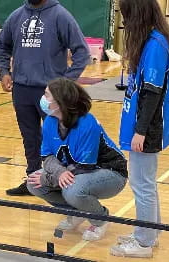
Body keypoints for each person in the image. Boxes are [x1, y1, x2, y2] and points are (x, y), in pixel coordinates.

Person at [0, 0, 90, 196]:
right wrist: (4, 71)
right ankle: (33, 180)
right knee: (30, 138)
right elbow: (3, 46)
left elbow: (82, 52)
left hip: (50, 94)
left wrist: (65, 84)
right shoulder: (16, 16)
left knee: (56, 138)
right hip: (21, 90)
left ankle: (59, 180)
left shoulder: (61, 16)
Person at [110, 0, 169, 258]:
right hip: (141, 126)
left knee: (141, 184)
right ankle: (149, 233)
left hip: (148, 129)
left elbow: (153, 94)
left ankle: (143, 242)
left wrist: (140, 132)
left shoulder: (155, 45)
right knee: (146, 183)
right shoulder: (153, 41)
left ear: (138, 15)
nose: (126, 23)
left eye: (128, 16)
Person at [26, 78, 127, 241]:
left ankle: (101, 220)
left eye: (47, 95)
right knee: (33, 183)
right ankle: (77, 213)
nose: (43, 98)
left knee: (72, 190)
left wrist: (50, 178)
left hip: (111, 173)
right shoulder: (50, 122)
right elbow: (47, 157)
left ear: (60, 101)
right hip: (74, 171)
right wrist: (58, 173)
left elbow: (84, 167)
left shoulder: (87, 123)